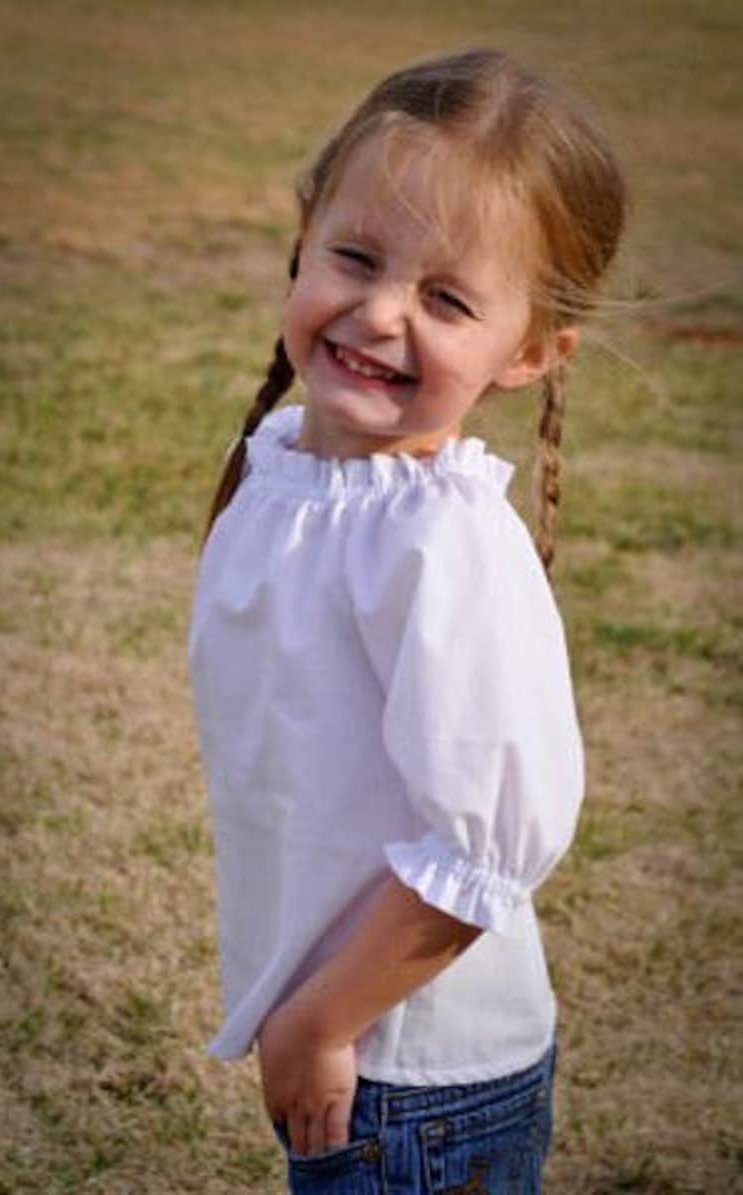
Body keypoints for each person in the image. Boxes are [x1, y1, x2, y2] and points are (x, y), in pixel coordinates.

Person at [189, 47, 625, 1194]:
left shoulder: (441, 545)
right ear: (305, 229)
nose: (379, 314)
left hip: (416, 1076)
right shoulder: (285, 466)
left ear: (528, 351)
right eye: (355, 256)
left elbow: (485, 843)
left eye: (445, 299)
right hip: (353, 1037)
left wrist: (323, 1020)